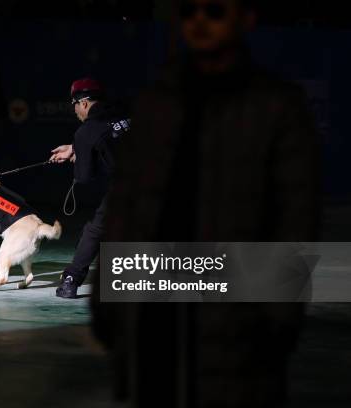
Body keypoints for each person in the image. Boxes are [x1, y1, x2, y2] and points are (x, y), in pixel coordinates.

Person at [95, 0, 321, 406]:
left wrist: (280, 314)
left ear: (246, 17)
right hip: (155, 310)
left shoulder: (277, 105)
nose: (199, 21)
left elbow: (296, 217)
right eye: (188, 11)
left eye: (214, 10)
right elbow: (124, 206)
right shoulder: (156, 101)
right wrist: (106, 295)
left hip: (238, 314)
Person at [50, 78, 128, 299]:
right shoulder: (127, 109)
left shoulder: (86, 132)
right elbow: (113, 136)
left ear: (83, 103)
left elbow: (85, 177)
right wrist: (77, 148)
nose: (75, 111)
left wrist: (80, 155)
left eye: (74, 105)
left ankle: (70, 281)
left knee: (94, 231)